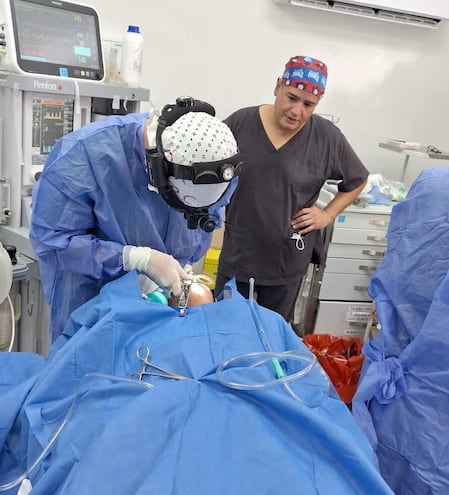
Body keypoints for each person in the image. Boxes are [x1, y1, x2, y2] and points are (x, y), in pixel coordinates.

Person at [30, 96, 242, 342]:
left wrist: (179, 267)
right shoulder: (86, 155)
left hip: (155, 321)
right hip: (91, 304)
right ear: (158, 170)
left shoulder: (217, 166)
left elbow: (203, 224)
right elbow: (54, 242)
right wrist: (135, 259)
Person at [215, 55, 369, 322]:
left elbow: (357, 180)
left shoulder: (326, 137)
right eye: (291, 98)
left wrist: (327, 215)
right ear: (277, 87)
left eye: (308, 104)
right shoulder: (240, 123)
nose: (297, 111)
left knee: (272, 341)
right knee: (224, 331)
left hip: (286, 261)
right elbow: (208, 164)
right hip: (239, 256)